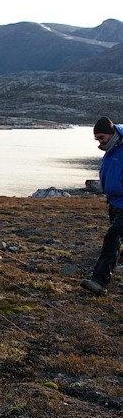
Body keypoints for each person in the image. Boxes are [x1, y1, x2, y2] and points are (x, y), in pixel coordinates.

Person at [81, 117, 123, 295]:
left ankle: (99, 281)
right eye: (97, 139)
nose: (99, 142)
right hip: (114, 203)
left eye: (101, 138)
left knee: (112, 238)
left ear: (111, 133)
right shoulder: (113, 149)